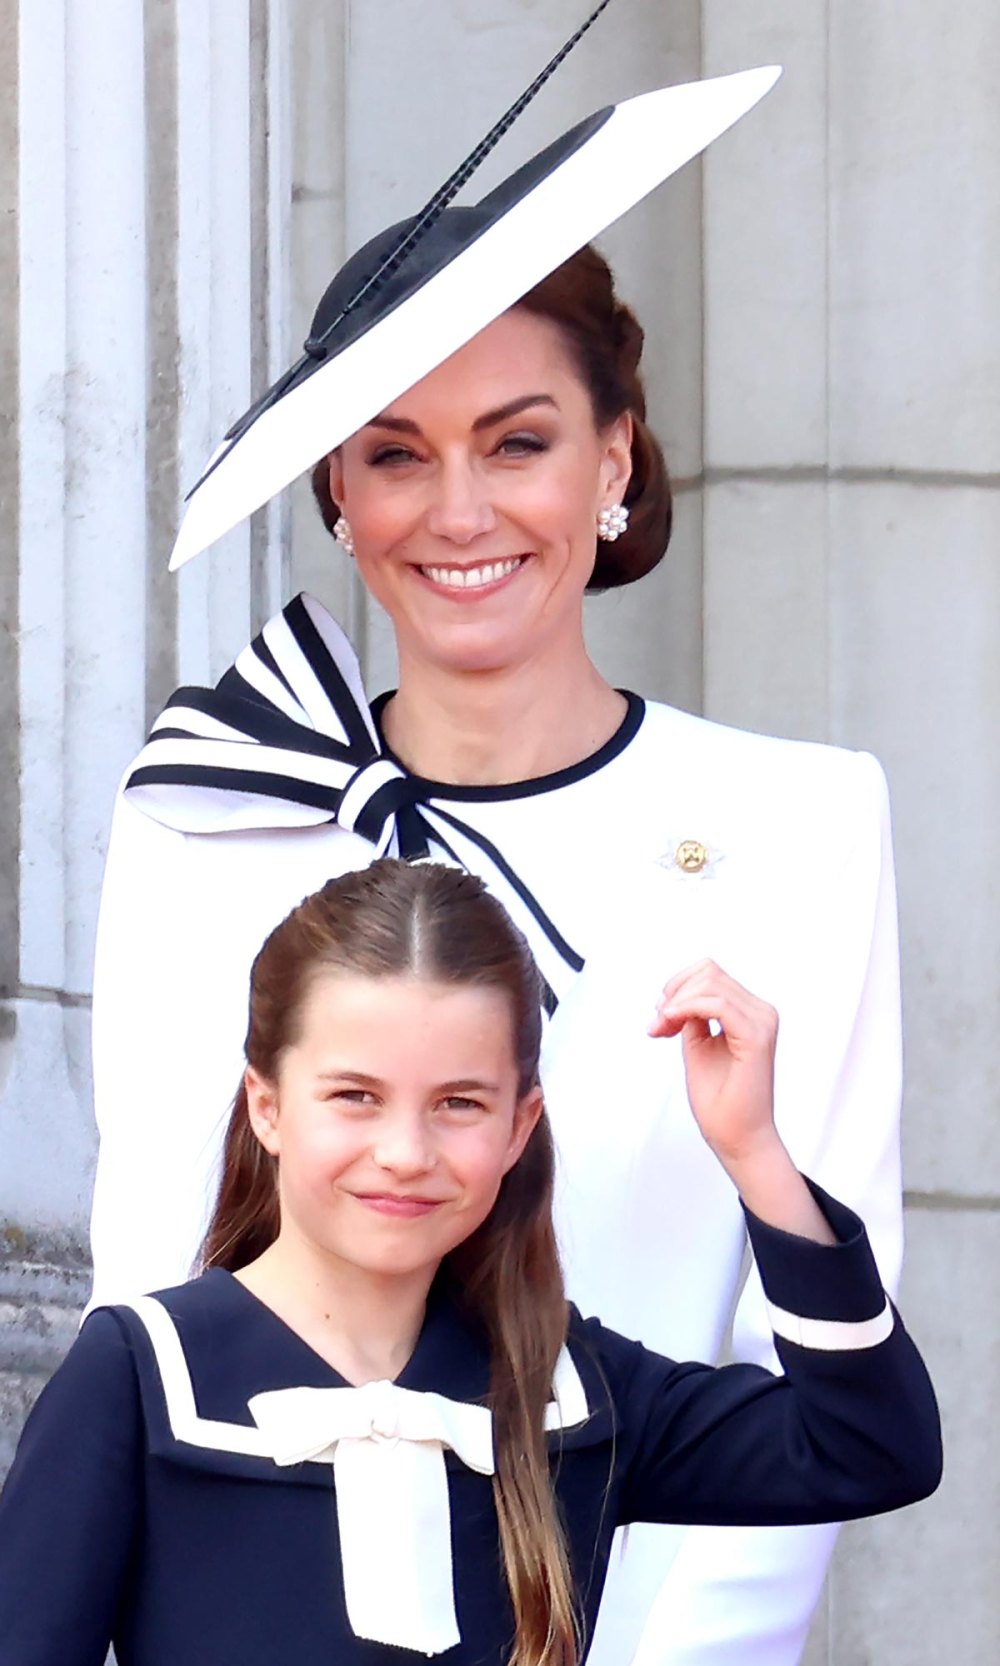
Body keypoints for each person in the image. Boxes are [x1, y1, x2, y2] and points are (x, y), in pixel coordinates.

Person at [87, 56, 901, 1666]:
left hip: (653, 1618)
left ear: (611, 465)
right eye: (394, 453)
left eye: (516, 441)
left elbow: (796, 1332)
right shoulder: (211, 809)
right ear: (339, 489)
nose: (457, 509)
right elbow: (157, 1284)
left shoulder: (807, 823)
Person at [2, 863, 940, 1666]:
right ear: (268, 1107)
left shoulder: (572, 1390)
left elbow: (871, 1449)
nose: (406, 1150)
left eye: (458, 1103)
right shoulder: (143, 1375)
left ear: (520, 1125)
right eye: (355, 1096)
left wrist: (753, 1152)